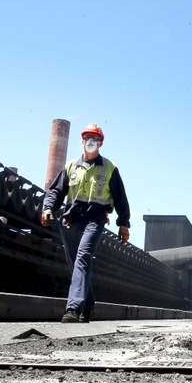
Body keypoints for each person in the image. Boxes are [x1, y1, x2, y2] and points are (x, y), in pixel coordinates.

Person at [41, 123, 130, 323]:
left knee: (82, 257)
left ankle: (72, 308)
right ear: (82, 141)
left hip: (95, 220)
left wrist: (123, 223)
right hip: (71, 220)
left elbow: (120, 198)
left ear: (101, 143)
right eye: (88, 138)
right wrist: (48, 207)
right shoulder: (71, 166)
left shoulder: (109, 168)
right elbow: (56, 190)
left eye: (95, 139)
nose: (91, 142)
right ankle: (88, 305)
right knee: (76, 264)